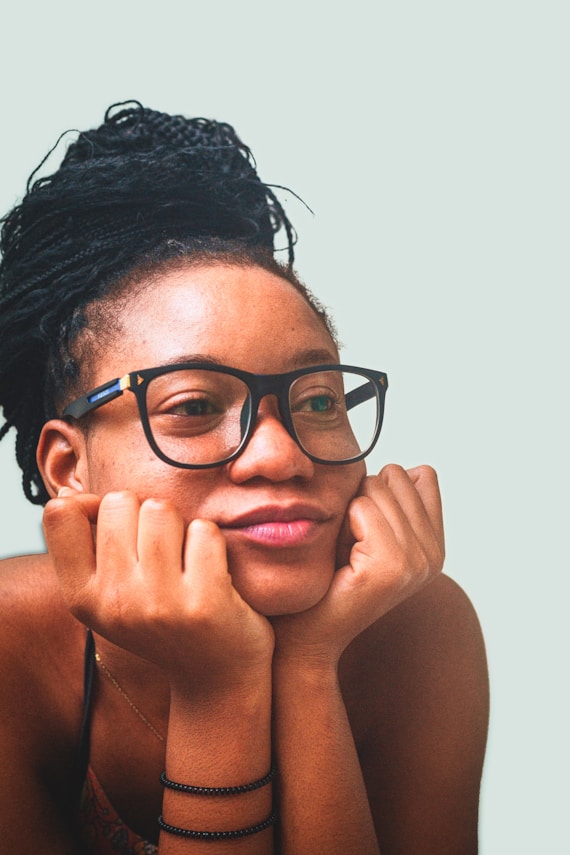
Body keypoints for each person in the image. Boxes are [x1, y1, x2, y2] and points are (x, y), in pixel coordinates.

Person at [0, 101, 489, 855]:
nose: (280, 455)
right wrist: (217, 685)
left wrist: (308, 665)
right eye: (194, 405)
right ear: (69, 465)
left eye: (319, 399)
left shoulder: (417, 632)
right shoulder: (9, 652)